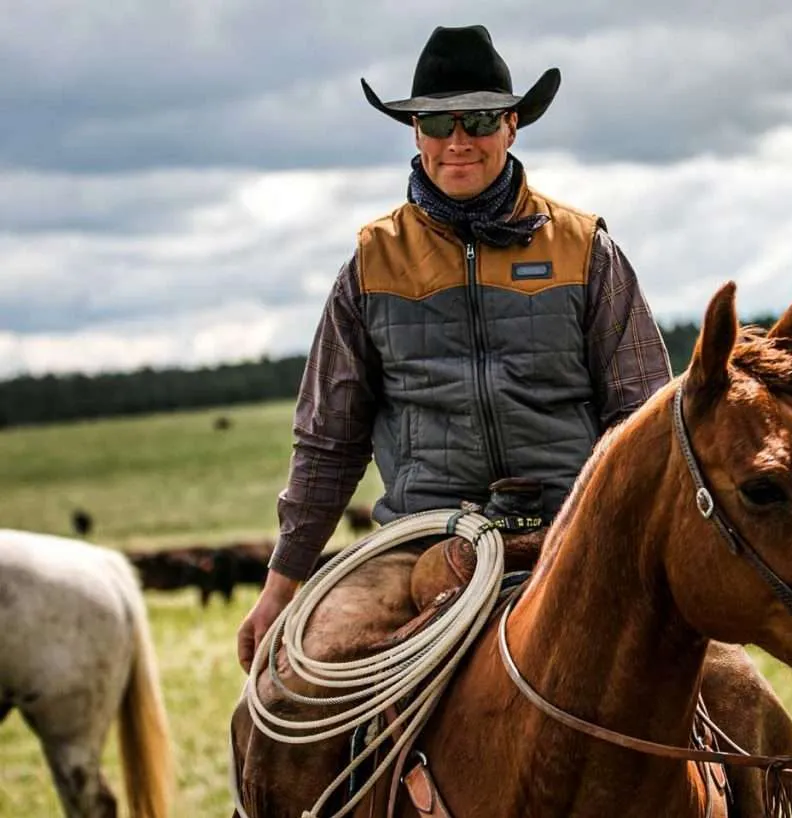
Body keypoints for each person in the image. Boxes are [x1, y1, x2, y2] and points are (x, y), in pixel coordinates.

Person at [236, 24, 671, 671]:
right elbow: (329, 441)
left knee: (722, 694)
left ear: (512, 125)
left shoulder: (584, 249)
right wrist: (282, 585)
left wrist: (631, 540)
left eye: (479, 118)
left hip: (576, 534)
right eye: (438, 123)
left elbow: (644, 418)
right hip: (420, 537)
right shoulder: (372, 263)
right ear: (415, 133)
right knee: (302, 688)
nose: (458, 140)